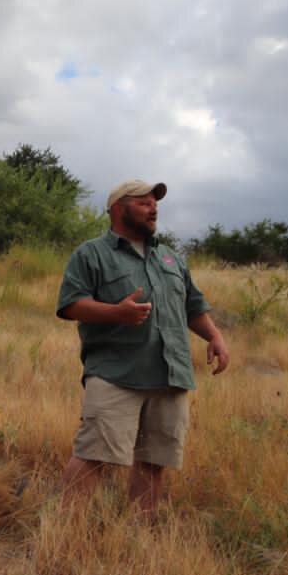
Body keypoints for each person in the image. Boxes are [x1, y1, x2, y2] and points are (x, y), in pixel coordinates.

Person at [56, 180, 228, 518]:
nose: (154, 208)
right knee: (94, 455)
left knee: (154, 461)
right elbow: (71, 304)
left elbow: (192, 305)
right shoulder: (92, 254)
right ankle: (65, 532)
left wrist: (214, 336)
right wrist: (116, 313)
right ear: (119, 208)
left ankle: (138, 534)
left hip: (170, 373)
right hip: (115, 372)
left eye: (155, 203)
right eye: (144, 203)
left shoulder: (170, 257)